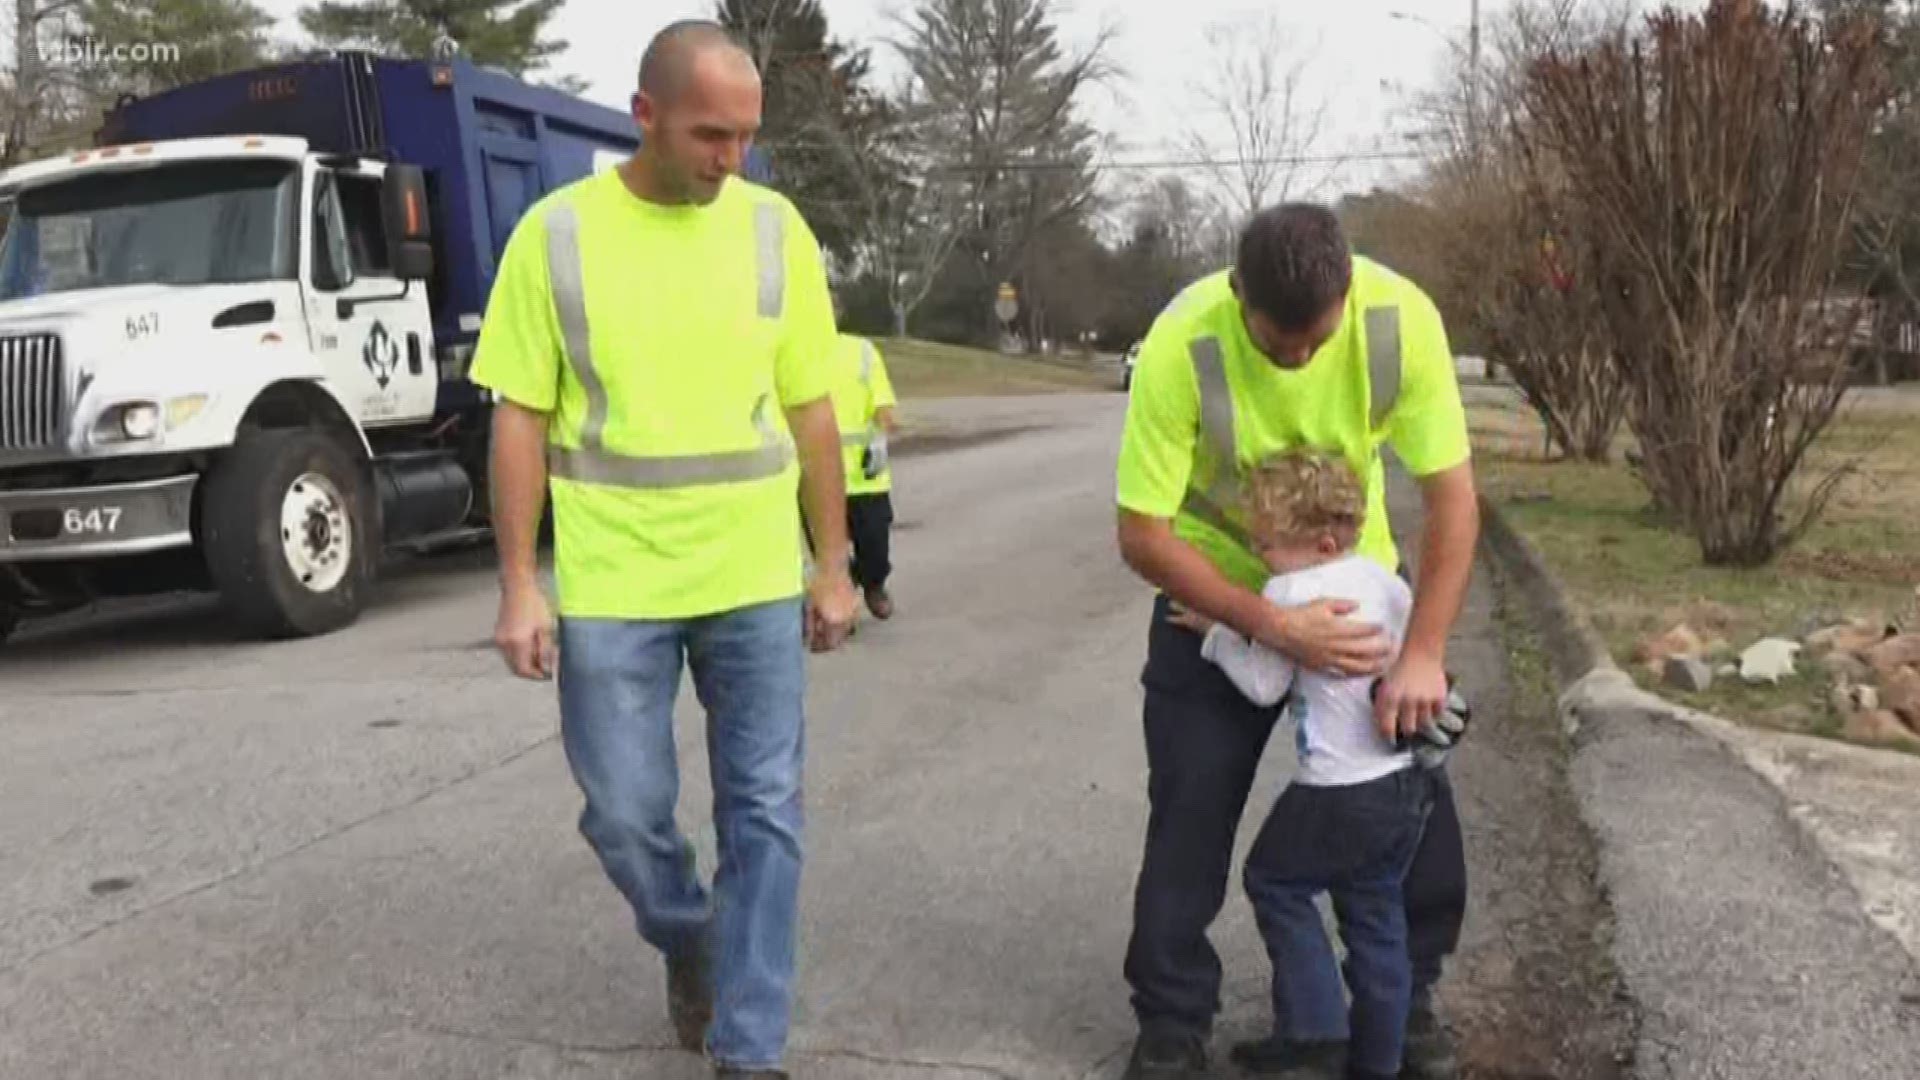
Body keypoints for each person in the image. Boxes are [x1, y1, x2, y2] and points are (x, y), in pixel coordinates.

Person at [472, 20, 857, 1080]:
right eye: (708, 135)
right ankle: (691, 936)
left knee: (766, 813)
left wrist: (833, 564)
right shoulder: (556, 237)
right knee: (625, 818)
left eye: (745, 136)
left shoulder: (776, 231)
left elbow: (814, 408)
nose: (730, 159)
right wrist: (518, 585)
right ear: (643, 116)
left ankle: (750, 1045)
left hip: (751, 580)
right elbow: (518, 418)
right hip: (613, 583)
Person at [1112, 202, 1480, 1080]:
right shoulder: (1182, 341)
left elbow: (1454, 500)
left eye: (1315, 341)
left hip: (1359, 599)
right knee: (1190, 807)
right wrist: (1268, 621)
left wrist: (1421, 654)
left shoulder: (1399, 320)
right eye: (1280, 344)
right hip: (1217, 595)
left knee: (1407, 802)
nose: (1299, 361)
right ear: (1238, 294)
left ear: (1348, 291)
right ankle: (1171, 1019)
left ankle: (1409, 999)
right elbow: (1141, 532)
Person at [1167, 449, 1441, 1080]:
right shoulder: (1385, 582)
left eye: (1266, 544)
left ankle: (1315, 1031)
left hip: (1336, 788)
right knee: (1376, 914)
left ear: (1319, 542)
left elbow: (1264, 686)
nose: (1260, 555)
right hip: (1403, 783)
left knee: (1274, 880)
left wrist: (1217, 634)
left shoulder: (1291, 591)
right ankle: (1379, 1060)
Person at [827, 325, 900, 619]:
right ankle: (841, 609)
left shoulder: (861, 352)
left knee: (875, 549)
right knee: (829, 556)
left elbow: (883, 407)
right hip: (820, 479)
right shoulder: (798, 352)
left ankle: (873, 583)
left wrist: (881, 438)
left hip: (865, 476)